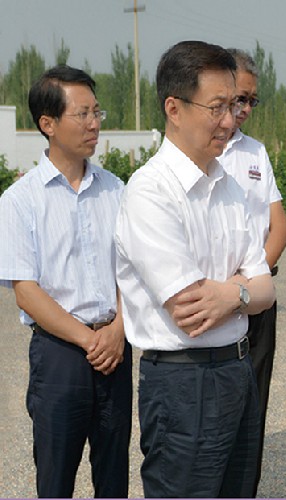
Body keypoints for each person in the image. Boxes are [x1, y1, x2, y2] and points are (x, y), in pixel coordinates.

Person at [114, 40, 275, 497]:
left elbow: (268, 290)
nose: (230, 121)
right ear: (175, 108)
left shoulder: (229, 188)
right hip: (184, 381)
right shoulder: (150, 192)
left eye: (236, 105)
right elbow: (190, 310)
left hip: (237, 372)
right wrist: (244, 290)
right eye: (218, 107)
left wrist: (231, 294)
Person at [0, 65, 130, 498]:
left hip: (116, 348)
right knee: (56, 479)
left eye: (97, 112)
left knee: (113, 477)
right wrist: (88, 340)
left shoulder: (116, 189)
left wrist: (118, 329)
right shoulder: (20, 201)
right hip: (59, 357)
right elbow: (27, 290)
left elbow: (131, 271)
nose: (94, 123)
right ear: (48, 124)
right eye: (82, 114)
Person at [218, 47, 286, 495]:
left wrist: (247, 286)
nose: (243, 111)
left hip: (256, 304)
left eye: (251, 102)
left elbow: (279, 228)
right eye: (237, 99)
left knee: (252, 409)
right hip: (211, 307)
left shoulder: (255, 153)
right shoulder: (191, 152)